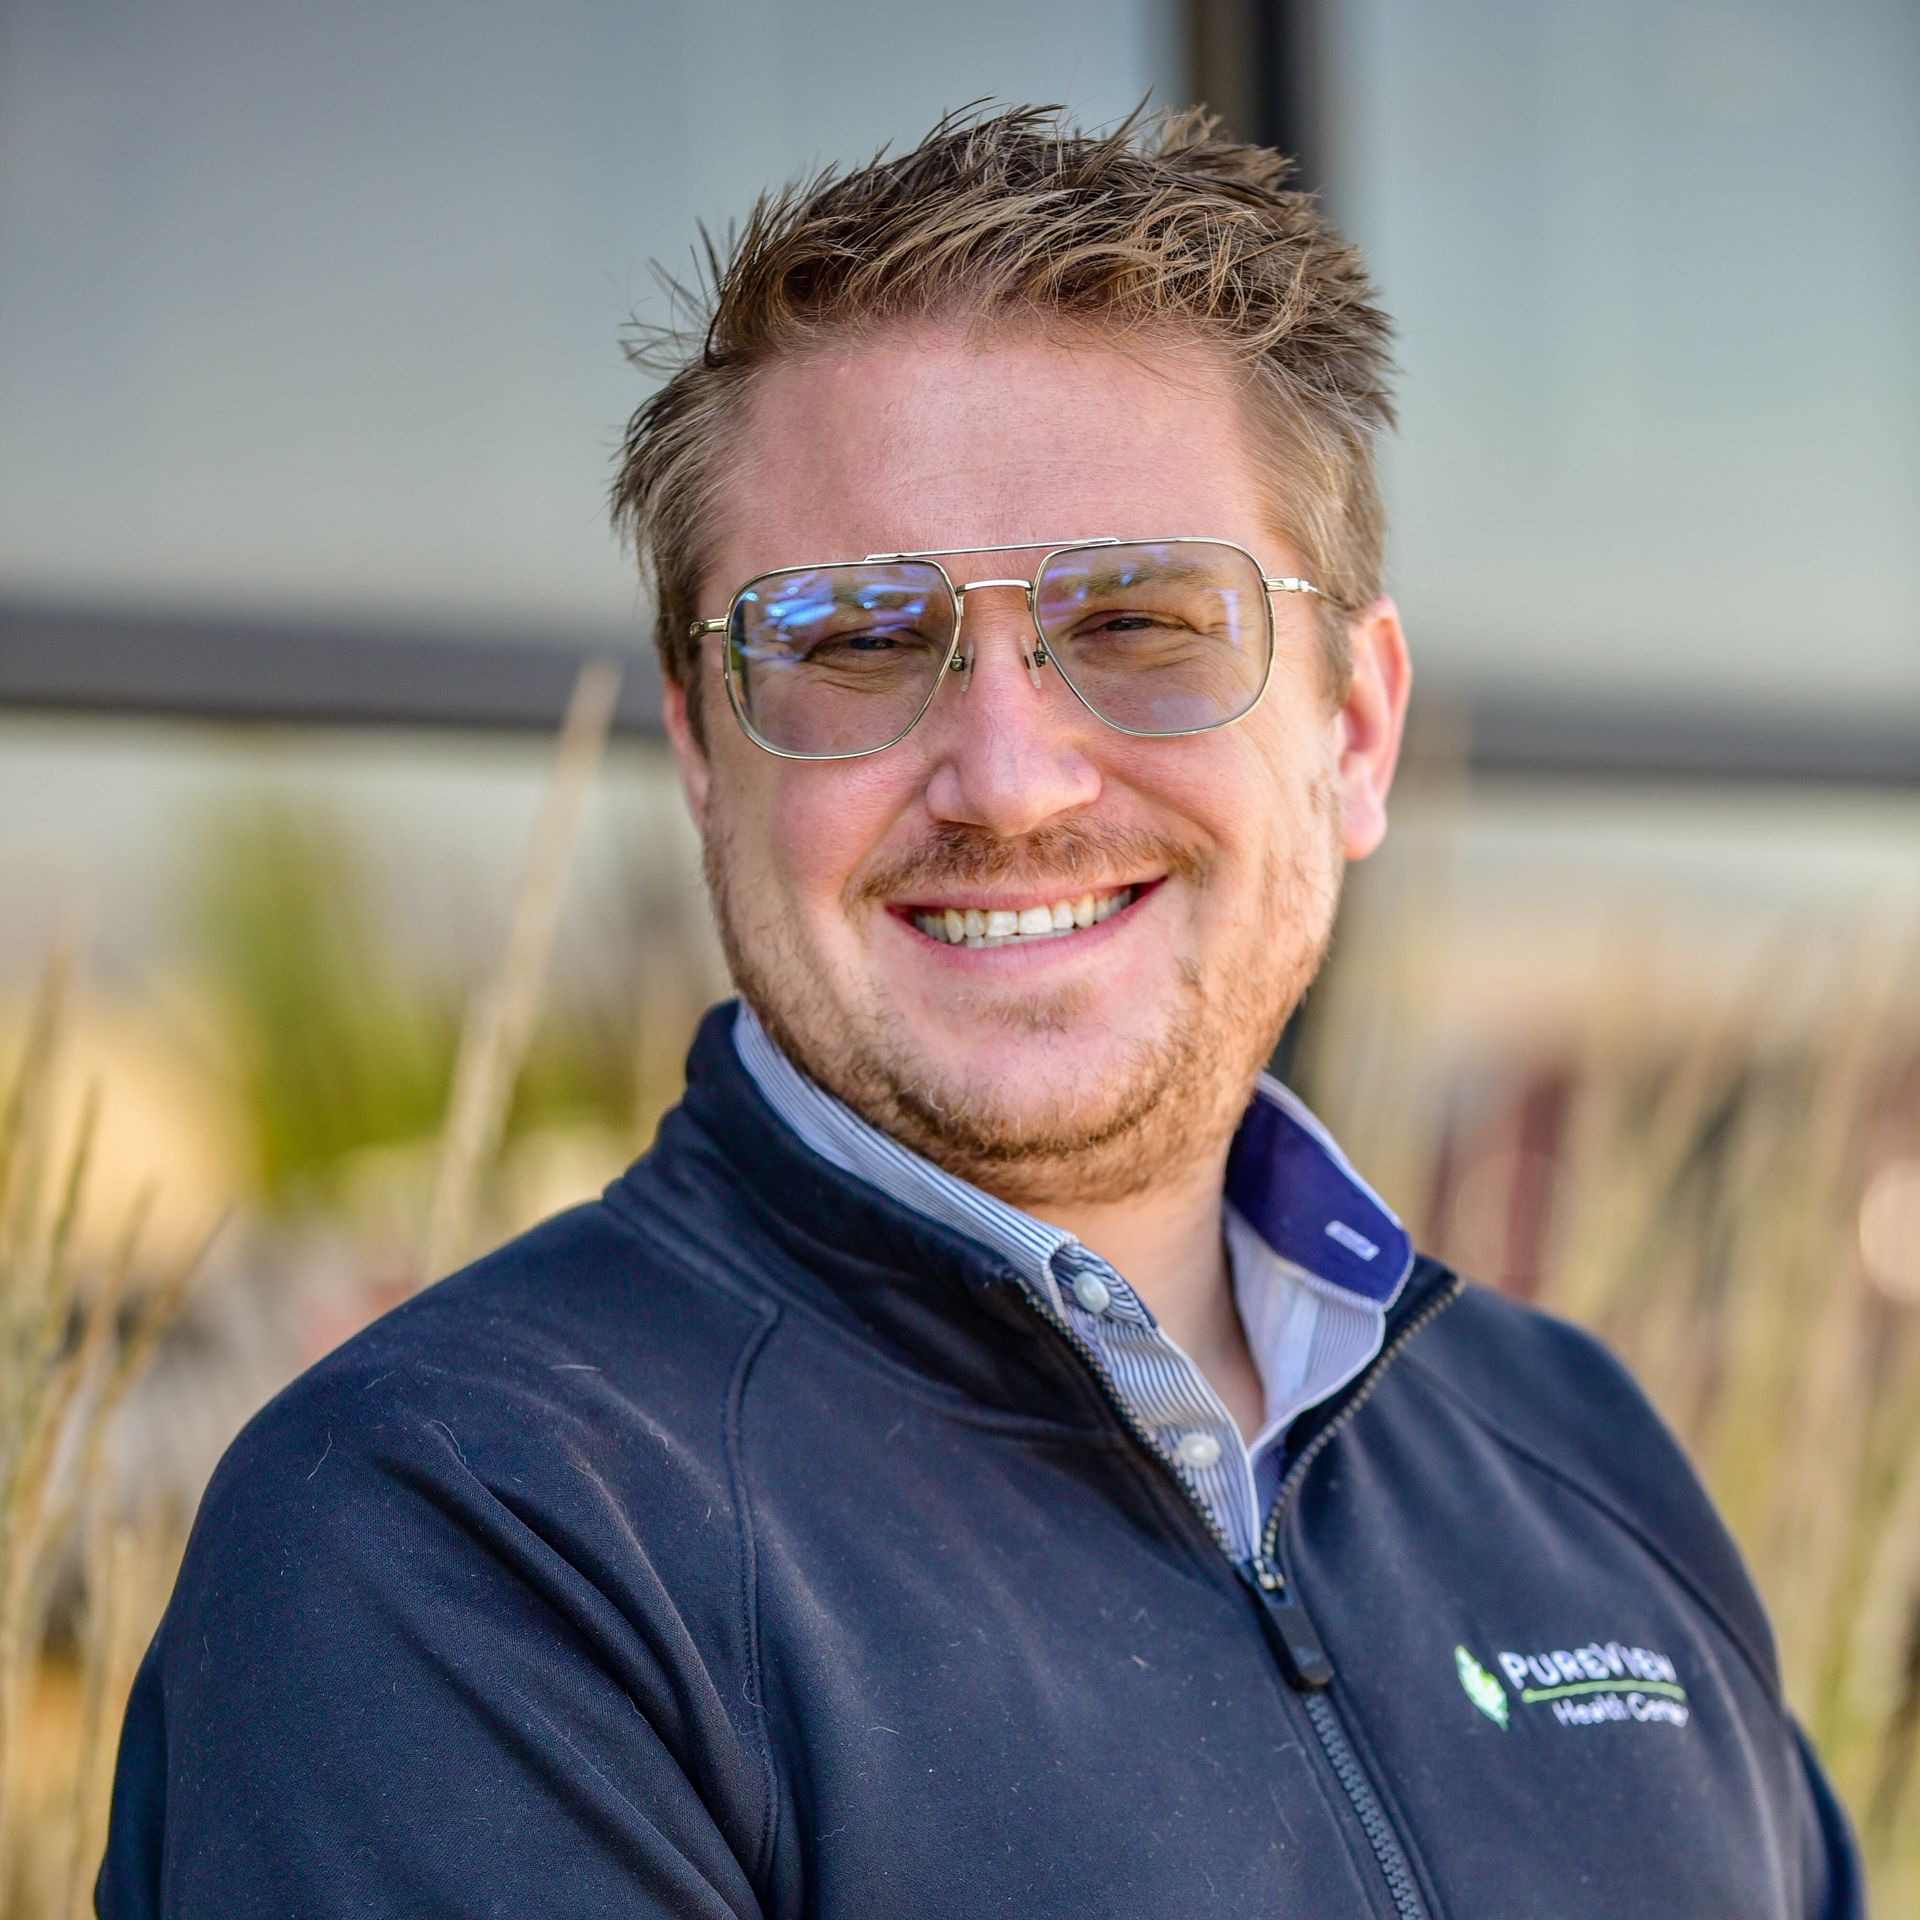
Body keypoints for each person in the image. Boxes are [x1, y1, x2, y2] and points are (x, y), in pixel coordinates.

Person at [100, 106, 1862, 1917]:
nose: (1009, 781)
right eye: (855, 642)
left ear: (1353, 726)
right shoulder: (462, 1536)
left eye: (1142, 623)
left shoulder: (1571, 1451)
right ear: (704, 751)